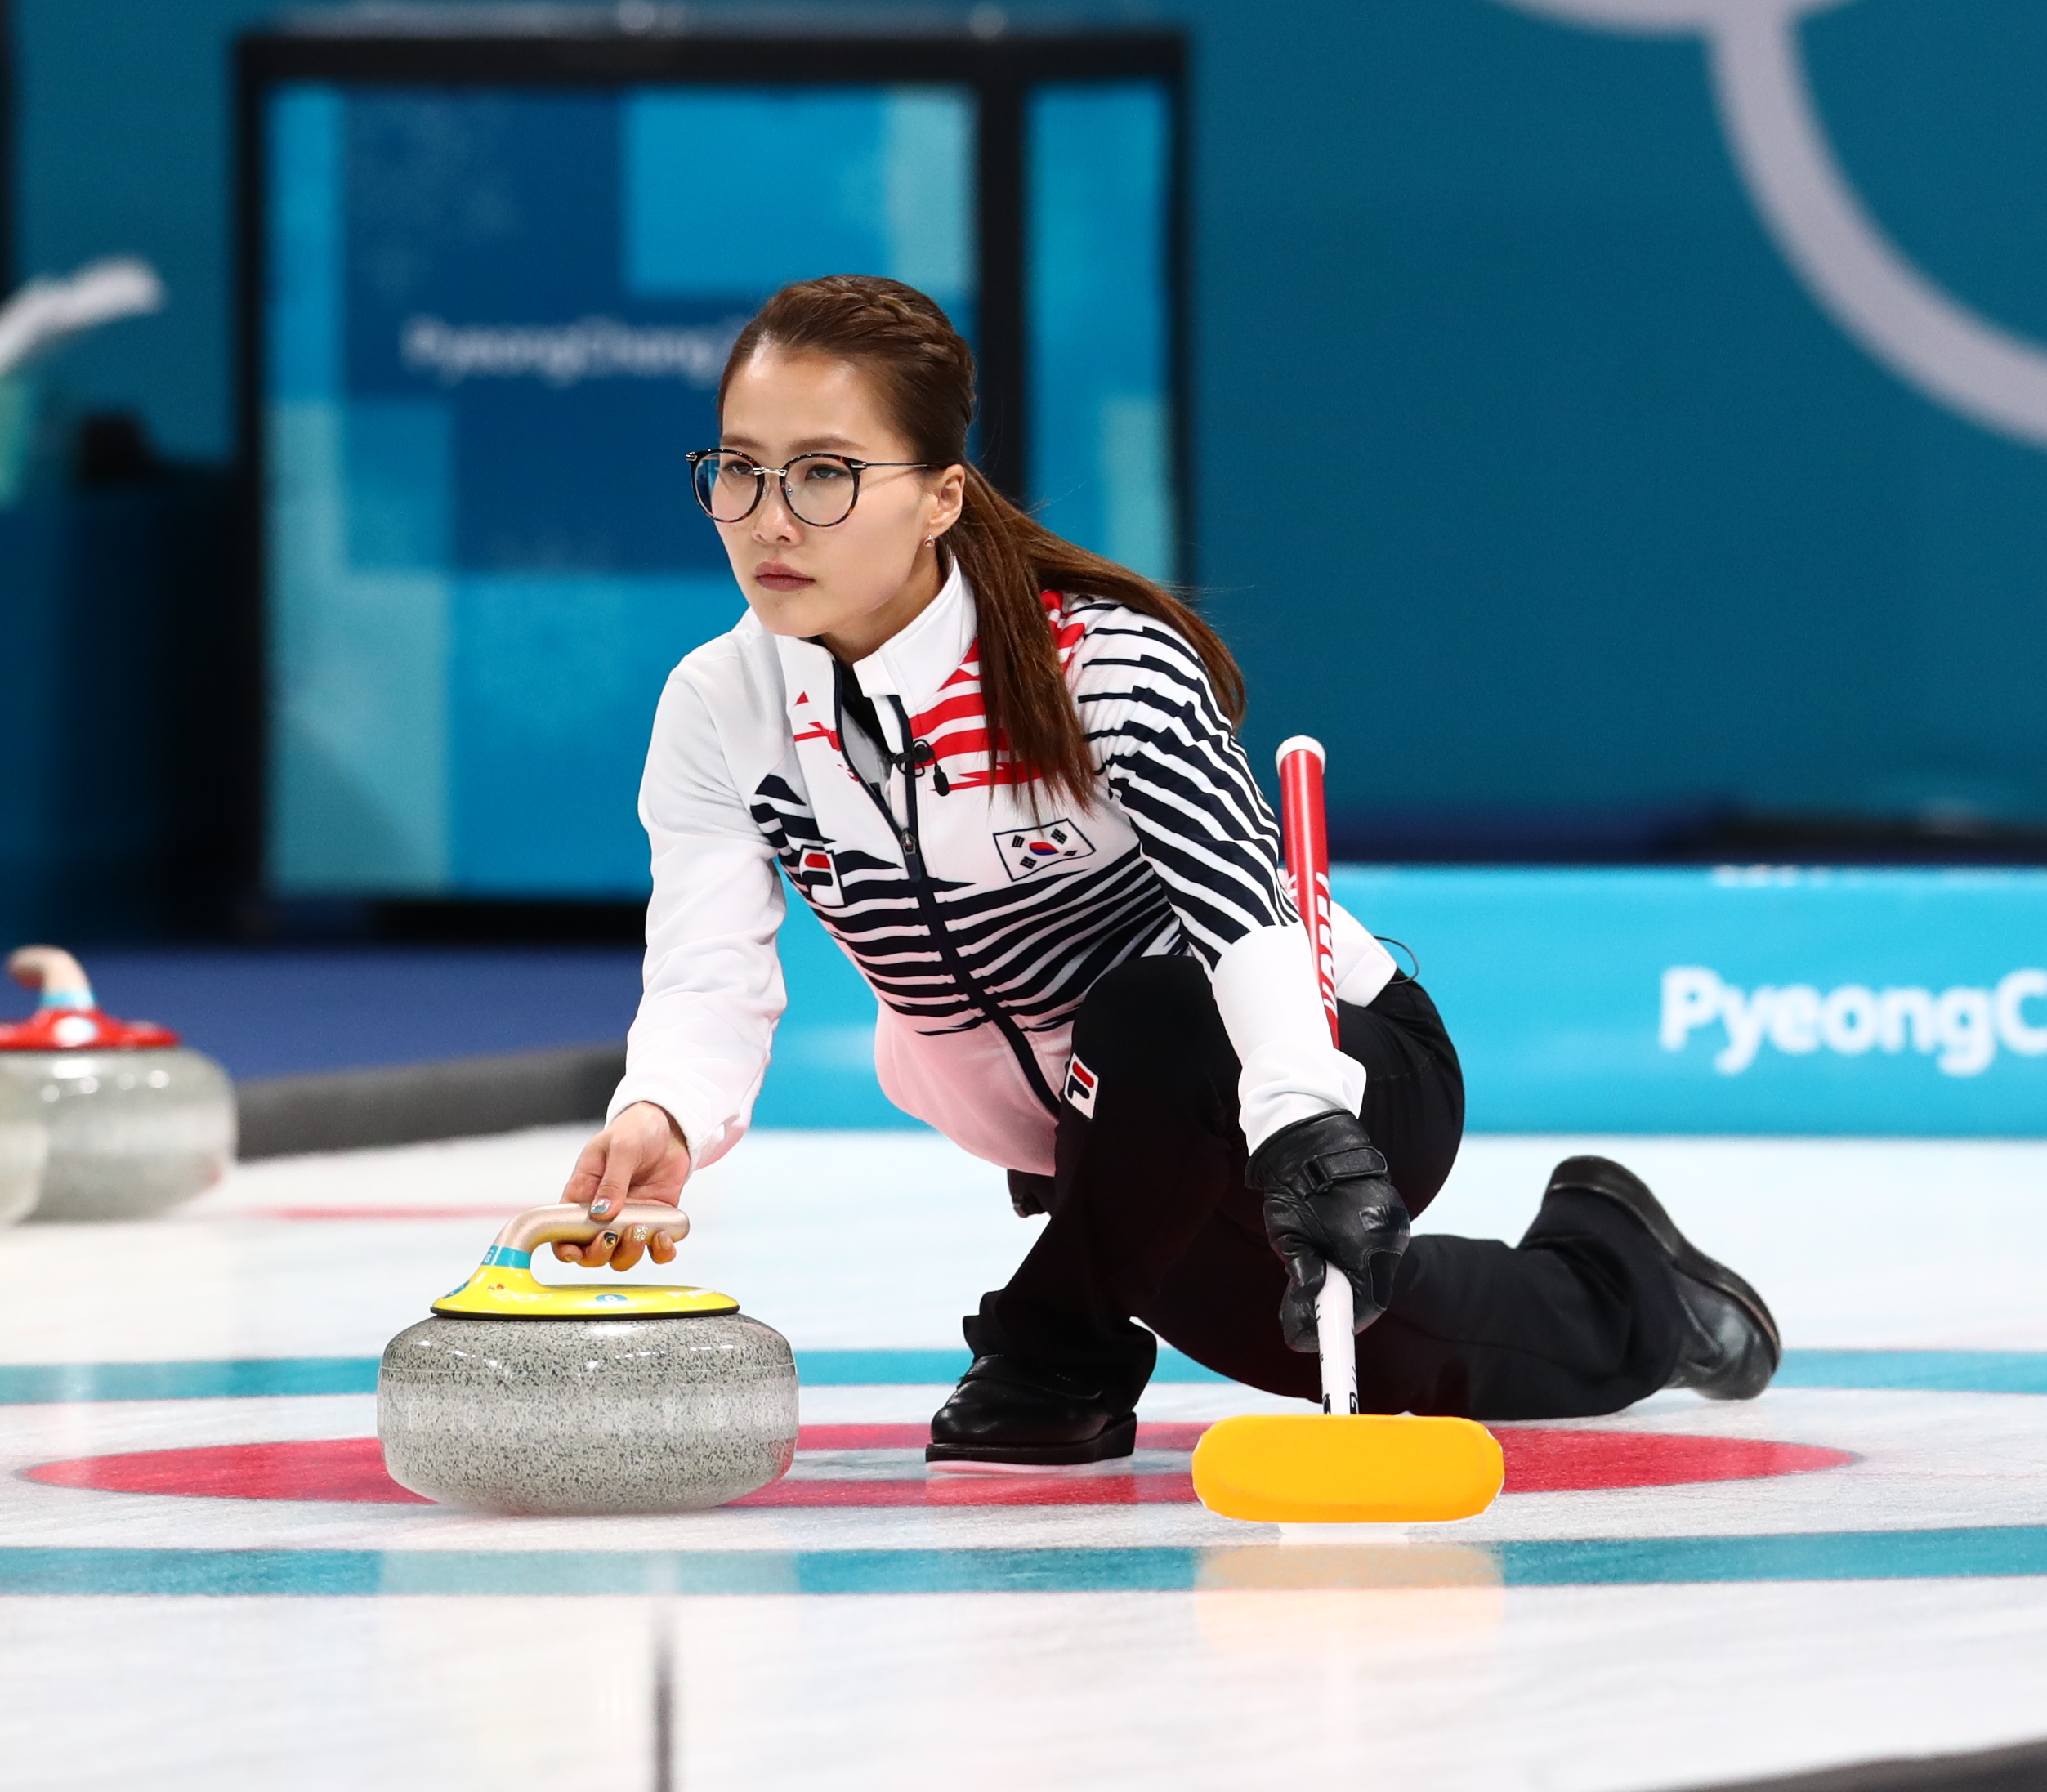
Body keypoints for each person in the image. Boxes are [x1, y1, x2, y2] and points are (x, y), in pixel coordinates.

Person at [553, 274, 1778, 1461]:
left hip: (1330, 1059)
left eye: (824, 473)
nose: (769, 518)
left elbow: (1242, 910)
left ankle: (1053, 1344)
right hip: (1097, 1140)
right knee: (1391, 1352)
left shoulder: (1100, 664)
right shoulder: (720, 704)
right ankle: (1620, 1277)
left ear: (940, 497)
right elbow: (708, 967)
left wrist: (1304, 1120)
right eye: (740, 470)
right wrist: (659, 1110)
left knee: (1150, 1003)